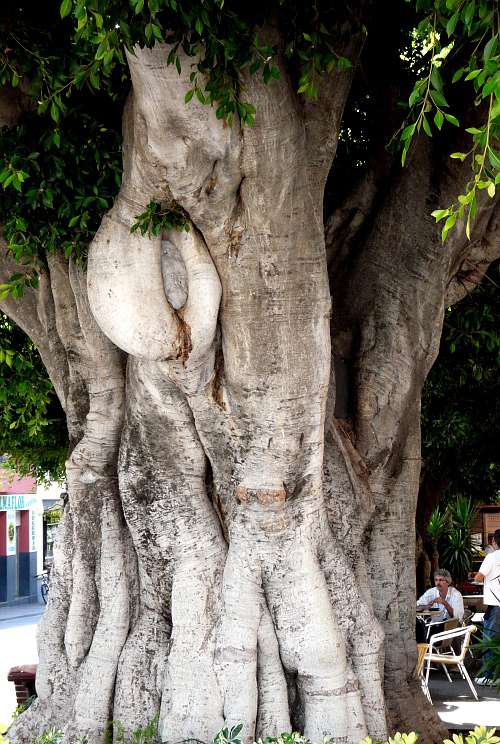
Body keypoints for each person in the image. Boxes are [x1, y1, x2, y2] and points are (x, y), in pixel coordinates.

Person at [474, 528, 500, 684]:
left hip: (495, 605)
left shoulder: (492, 557)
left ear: (494, 542)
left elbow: (478, 577)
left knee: (490, 640)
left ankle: (490, 676)